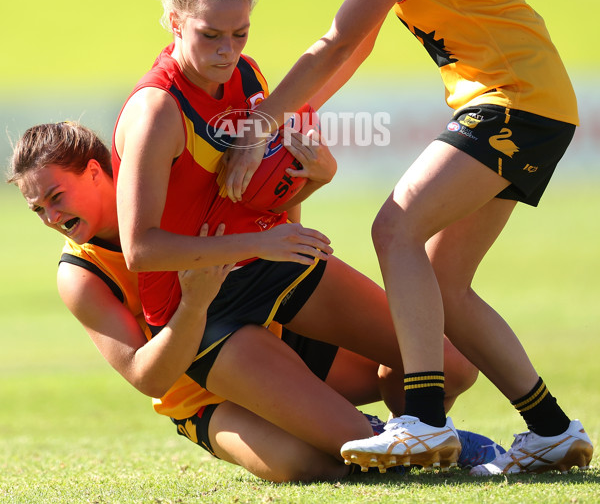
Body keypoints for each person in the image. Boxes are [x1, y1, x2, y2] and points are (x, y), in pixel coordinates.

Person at [220, 0, 593, 476]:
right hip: (530, 102)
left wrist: (261, 120)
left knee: (395, 230)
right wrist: (289, 118)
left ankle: (421, 422)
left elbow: (336, 41)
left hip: (515, 102)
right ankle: (550, 430)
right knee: (444, 286)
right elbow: (356, 48)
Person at [8, 122, 498, 481]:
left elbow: (262, 224)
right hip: (202, 395)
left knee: (445, 369)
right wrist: (193, 306)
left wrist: (314, 178)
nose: (50, 217)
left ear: (95, 171)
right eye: (37, 209)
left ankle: (410, 428)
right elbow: (148, 377)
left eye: (55, 197)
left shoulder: (164, 184)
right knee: (313, 464)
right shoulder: (80, 275)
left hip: (272, 335)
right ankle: (382, 434)